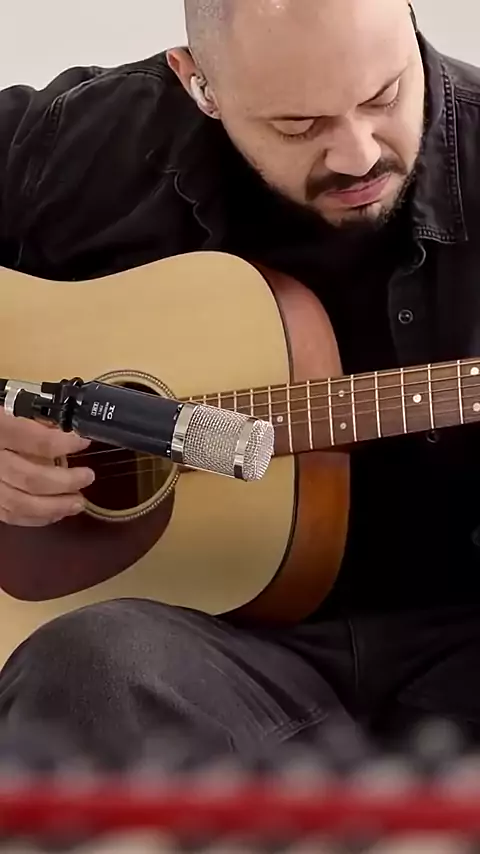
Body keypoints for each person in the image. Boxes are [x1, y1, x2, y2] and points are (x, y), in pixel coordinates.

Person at [1, 0, 480, 768]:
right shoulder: (77, 148)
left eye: (385, 95)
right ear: (199, 85)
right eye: (298, 125)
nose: (357, 154)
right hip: (202, 657)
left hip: (457, 642)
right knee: (83, 668)